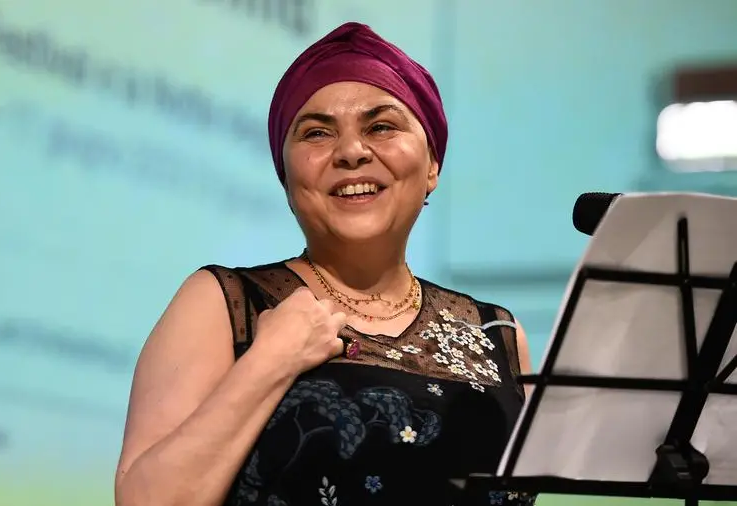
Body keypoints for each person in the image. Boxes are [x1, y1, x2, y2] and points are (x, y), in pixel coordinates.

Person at [114, 22, 536, 506]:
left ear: (432, 165)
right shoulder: (225, 304)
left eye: (381, 126)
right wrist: (270, 361)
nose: (351, 152)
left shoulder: (497, 334)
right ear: (287, 176)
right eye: (317, 133)